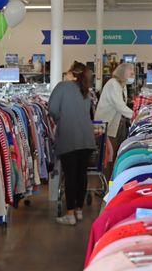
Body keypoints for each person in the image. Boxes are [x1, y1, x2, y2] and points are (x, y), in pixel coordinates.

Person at [48, 62, 96, 226]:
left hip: (69, 137)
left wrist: (60, 119)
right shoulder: (85, 90)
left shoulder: (62, 87)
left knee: (70, 176)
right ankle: (79, 210)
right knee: (81, 175)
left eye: (67, 71)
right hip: (87, 139)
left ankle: (70, 215)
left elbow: (52, 109)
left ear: (72, 74)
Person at [95, 63, 134, 163]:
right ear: (122, 74)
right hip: (104, 126)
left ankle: (112, 177)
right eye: (131, 74)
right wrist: (136, 115)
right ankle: (108, 178)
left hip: (115, 125)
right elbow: (119, 105)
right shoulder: (113, 84)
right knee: (108, 156)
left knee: (115, 154)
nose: (133, 76)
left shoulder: (123, 85)